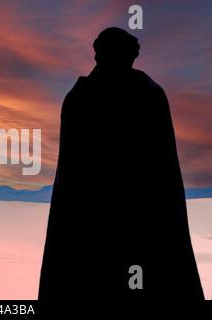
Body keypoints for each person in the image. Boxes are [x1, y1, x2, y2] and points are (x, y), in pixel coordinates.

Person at [38, 27, 204, 301]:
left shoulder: (83, 97)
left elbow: (160, 166)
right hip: (117, 218)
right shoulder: (142, 94)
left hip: (113, 218)